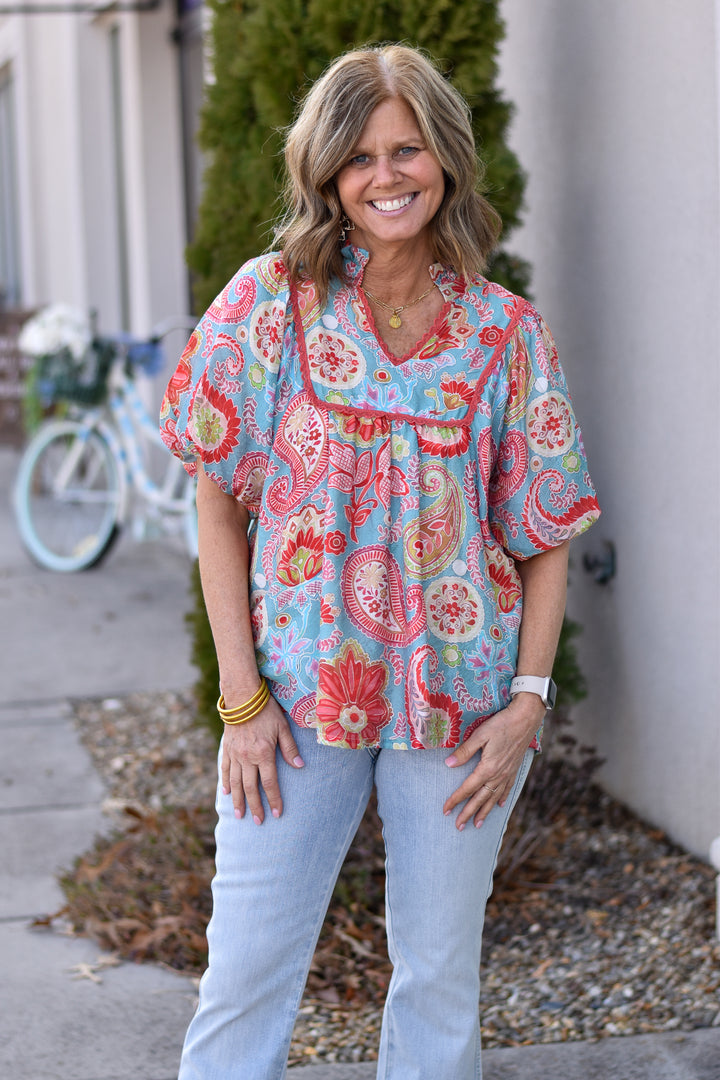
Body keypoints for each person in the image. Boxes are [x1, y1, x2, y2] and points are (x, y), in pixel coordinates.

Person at [160, 43, 600, 1080]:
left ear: (444, 157)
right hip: (295, 710)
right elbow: (215, 507)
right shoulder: (269, 306)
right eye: (359, 156)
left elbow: (544, 534)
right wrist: (240, 697)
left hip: (464, 716)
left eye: (407, 148)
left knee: (440, 979)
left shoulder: (505, 336)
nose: (387, 174)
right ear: (326, 174)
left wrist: (528, 703)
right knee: (249, 972)